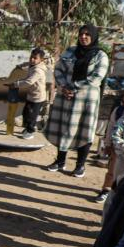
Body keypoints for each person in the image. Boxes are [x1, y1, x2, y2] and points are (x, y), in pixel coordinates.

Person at [45, 24, 109, 177]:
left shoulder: (100, 56)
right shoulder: (70, 51)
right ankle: (60, 161)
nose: (84, 37)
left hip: (86, 100)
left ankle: (80, 166)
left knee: (84, 131)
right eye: (81, 34)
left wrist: (73, 87)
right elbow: (58, 69)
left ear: (93, 37)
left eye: (87, 34)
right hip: (65, 96)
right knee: (63, 127)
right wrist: (63, 86)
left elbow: (96, 78)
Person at [11, 48, 49, 141]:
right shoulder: (33, 65)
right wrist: (20, 66)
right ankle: (28, 128)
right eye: (31, 57)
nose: (32, 60)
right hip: (31, 95)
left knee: (31, 116)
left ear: (41, 60)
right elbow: (27, 64)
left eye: (35, 58)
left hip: (38, 98)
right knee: (26, 113)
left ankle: (30, 132)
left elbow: (29, 82)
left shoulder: (38, 71)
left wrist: (16, 84)